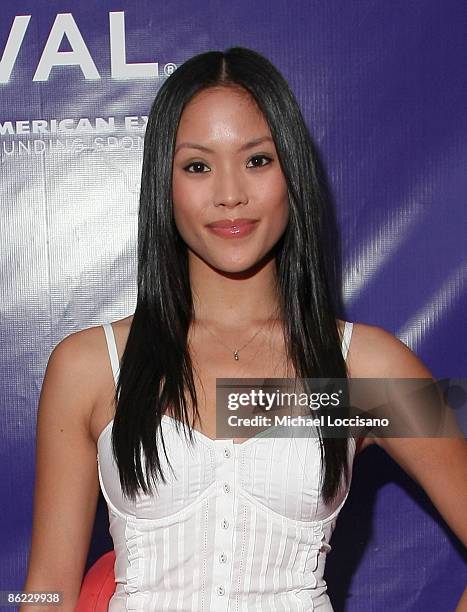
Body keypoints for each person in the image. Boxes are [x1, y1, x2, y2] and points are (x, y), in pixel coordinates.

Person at [22, 47, 467, 611]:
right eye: (198, 165)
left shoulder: (367, 368)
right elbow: (46, 588)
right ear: (165, 182)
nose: (230, 193)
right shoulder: (87, 366)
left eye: (257, 160)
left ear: (292, 173)